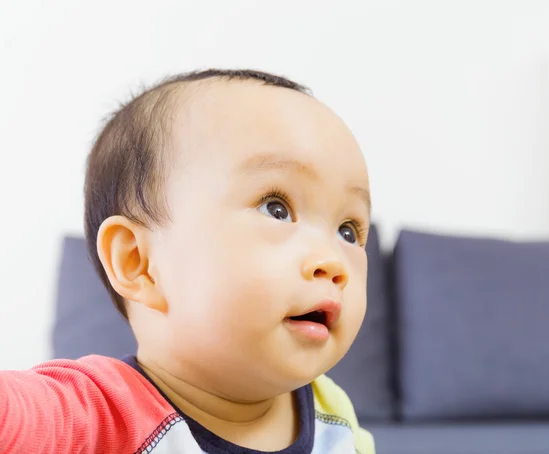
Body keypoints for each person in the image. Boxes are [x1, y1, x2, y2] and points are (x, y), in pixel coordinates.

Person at [0, 69, 375, 453]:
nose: (333, 262)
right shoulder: (93, 417)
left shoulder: (331, 412)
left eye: (348, 231)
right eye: (276, 208)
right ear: (139, 263)